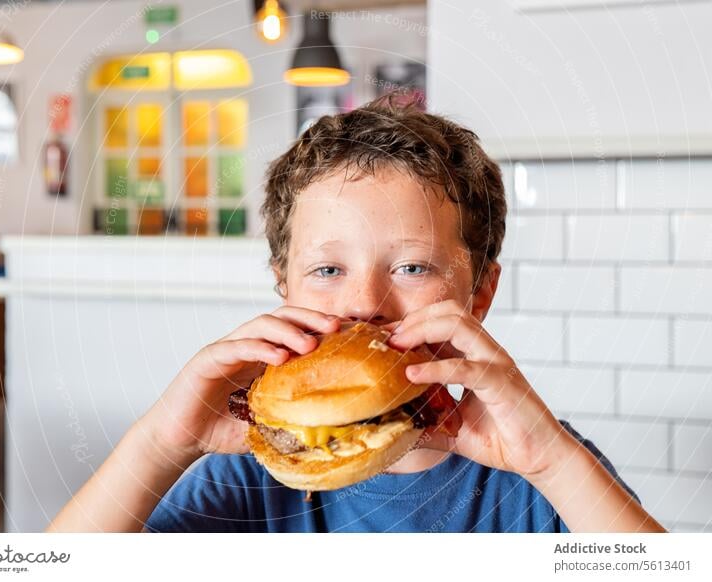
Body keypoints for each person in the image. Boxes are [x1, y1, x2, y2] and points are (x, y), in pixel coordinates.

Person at [47, 96, 666, 533]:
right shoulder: (247, 481)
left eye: (413, 268)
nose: (365, 304)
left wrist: (553, 462)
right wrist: (160, 444)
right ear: (282, 288)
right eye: (327, 270)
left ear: (478, 295)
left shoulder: (541, 472)